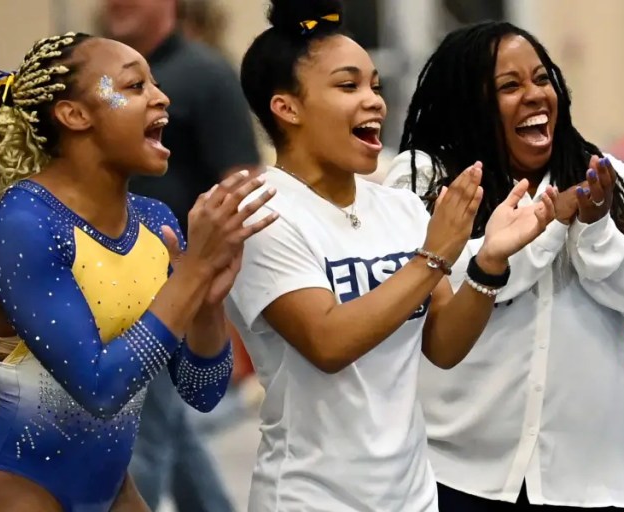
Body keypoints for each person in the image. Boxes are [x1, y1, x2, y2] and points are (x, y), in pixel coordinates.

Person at [227, 1, 559, 510]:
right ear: (286, 107)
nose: (375, 102)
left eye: (375, 86)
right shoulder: (265, 214)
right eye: (348, 86)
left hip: (412, 496)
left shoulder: (398, 207)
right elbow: (328, 343)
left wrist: (488, 261)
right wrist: (433, 257)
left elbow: (444, 345)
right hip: (310, 497)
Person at [0, 32, 277, 512]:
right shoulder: (23, 223)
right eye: (135, 85)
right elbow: (99, 387)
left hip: (114, 491)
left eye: (155, 83)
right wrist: (190, 276)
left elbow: (202, 393)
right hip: (15, 492)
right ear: (74, 114)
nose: (161, 97)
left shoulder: (155, 221)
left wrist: (207, 303)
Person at [385, 21, 624, 511]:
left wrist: (595, 232)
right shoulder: (426, 177)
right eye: (509, 86)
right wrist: (548, 225)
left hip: (587, 481)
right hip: (456, 476)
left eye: (542, 79)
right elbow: (428, 289)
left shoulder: (602, 177)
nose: (534, 95)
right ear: (471, 101)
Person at [100, 1, 261, 510]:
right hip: (105, 274)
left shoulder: (205, 75)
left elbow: (242, 178)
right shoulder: (97, 78)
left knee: (146, 431)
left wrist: (214, 284)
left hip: (173, 282)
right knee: (169, 429)